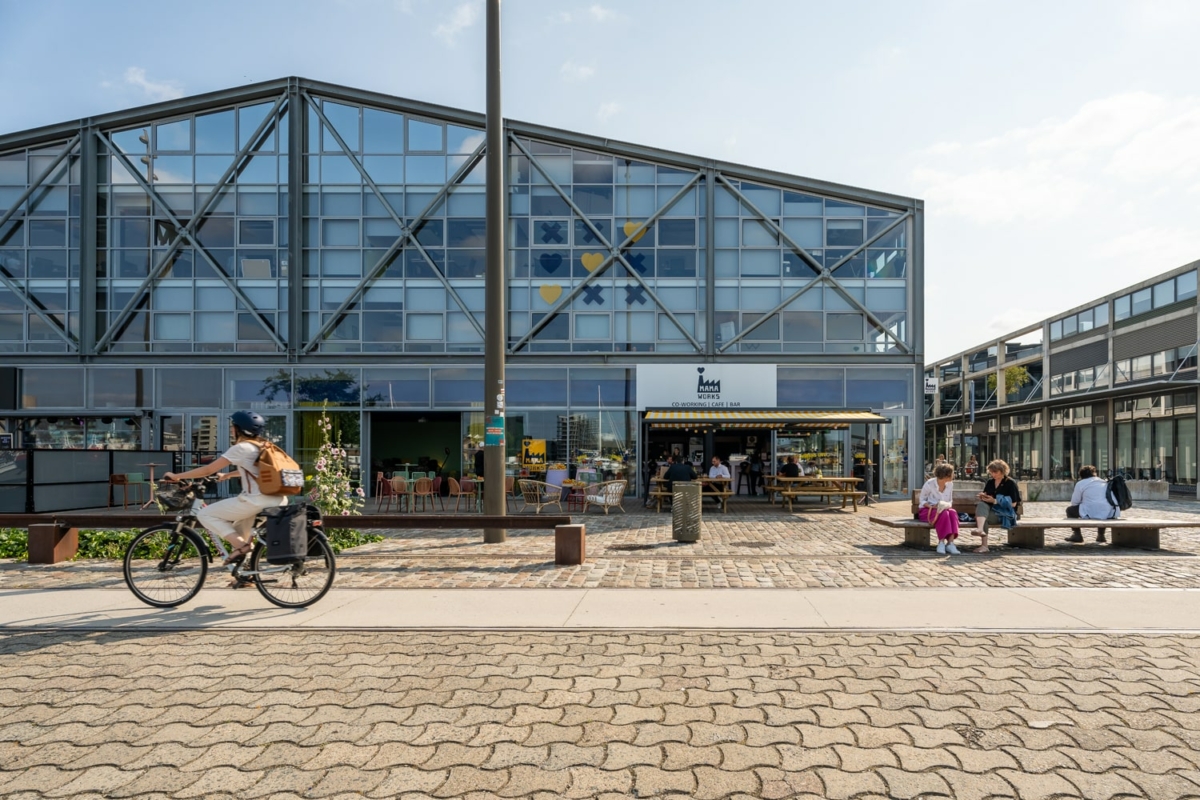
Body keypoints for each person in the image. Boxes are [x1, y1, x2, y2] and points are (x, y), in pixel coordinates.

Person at [162, 411, 288, 566]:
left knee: (205, 514)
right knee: (239, 530)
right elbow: (256, 470)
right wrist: (227, 476)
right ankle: (246, 573)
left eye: (232, 427)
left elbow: (207, 470)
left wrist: (176, 476)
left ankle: (243, 548)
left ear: (239, 429)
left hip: (256, 500)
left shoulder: (241, 448)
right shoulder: (263, 445)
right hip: (278, 498)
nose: (230, 430)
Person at [969, 459, 1021, 554]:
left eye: (995, 472)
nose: (993, 474)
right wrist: (984, 496)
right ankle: (980, 530)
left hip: (1004, 512)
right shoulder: (990, 482)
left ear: (1002, 471)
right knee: (981, 505)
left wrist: (995, 501)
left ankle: (984, 545)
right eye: (991, 472)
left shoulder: (1010, 483)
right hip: (991, 509)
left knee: (984, 518)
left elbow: (1013, 503)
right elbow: (988, 495)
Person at [1065, 465, 1117, 543]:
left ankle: (1077, 534)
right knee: (1102, 512)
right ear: (1094, 473)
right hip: (1108, 511)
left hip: (1090, 510)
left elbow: (1074, 502)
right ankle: (1101, 535)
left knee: (1070, 510)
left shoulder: (1080, 484)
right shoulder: (1103, 481)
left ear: (1081, 475)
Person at [918, 463, 960, 555]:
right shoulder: (929, 484)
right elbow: (922, 500)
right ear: (946, 475)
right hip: (927, 511)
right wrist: (932, 506)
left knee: (952, 512)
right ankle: (941, 542)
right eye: (952, 474)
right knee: (943, 513)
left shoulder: (950, 485)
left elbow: (950, 501)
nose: (953, 475)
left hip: (943, 509)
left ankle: (950, 543)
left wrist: (944, 505)